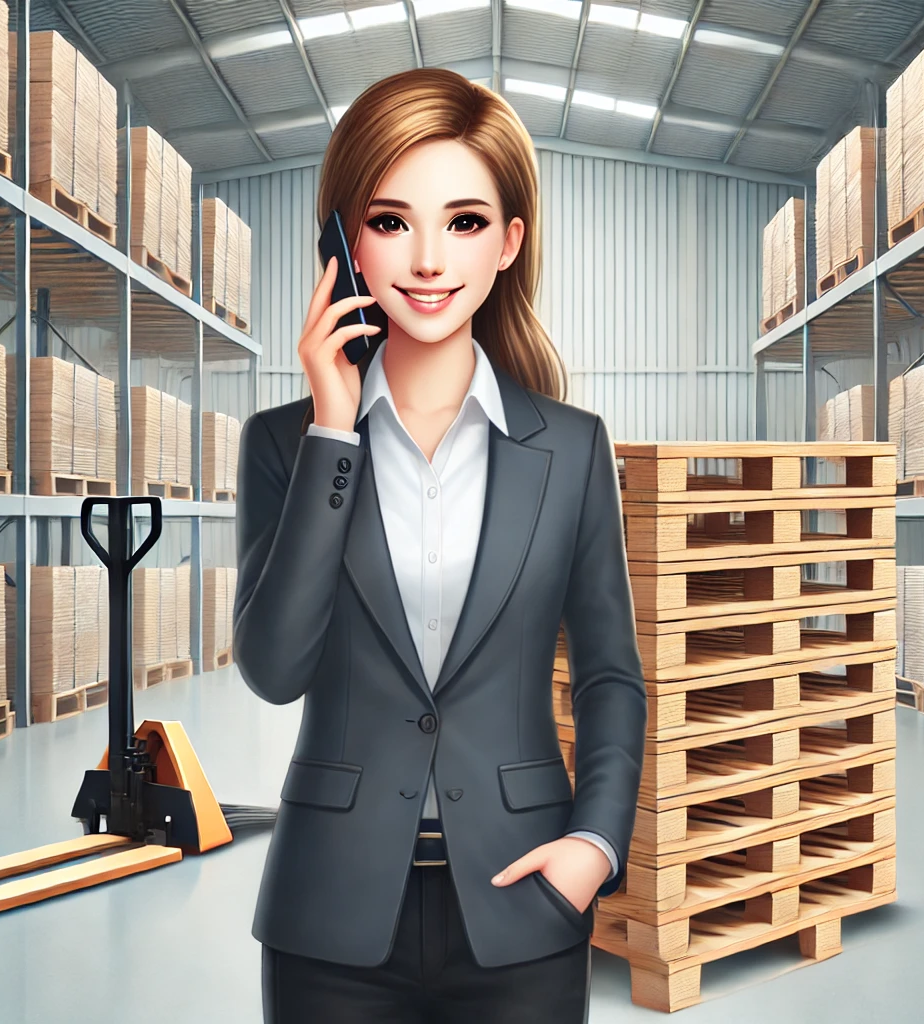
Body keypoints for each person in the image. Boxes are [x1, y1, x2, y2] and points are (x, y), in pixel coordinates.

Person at [234, 67, 646, 1024]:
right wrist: (333, 436)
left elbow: (609, 674)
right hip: (328, 916)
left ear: (509, 243)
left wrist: (595, 848)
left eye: (462, 222)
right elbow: (273, 667)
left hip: (525, 900)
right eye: (389, 221)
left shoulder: (573, 447)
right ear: (344, 244)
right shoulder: (280, 445)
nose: (426, 259)